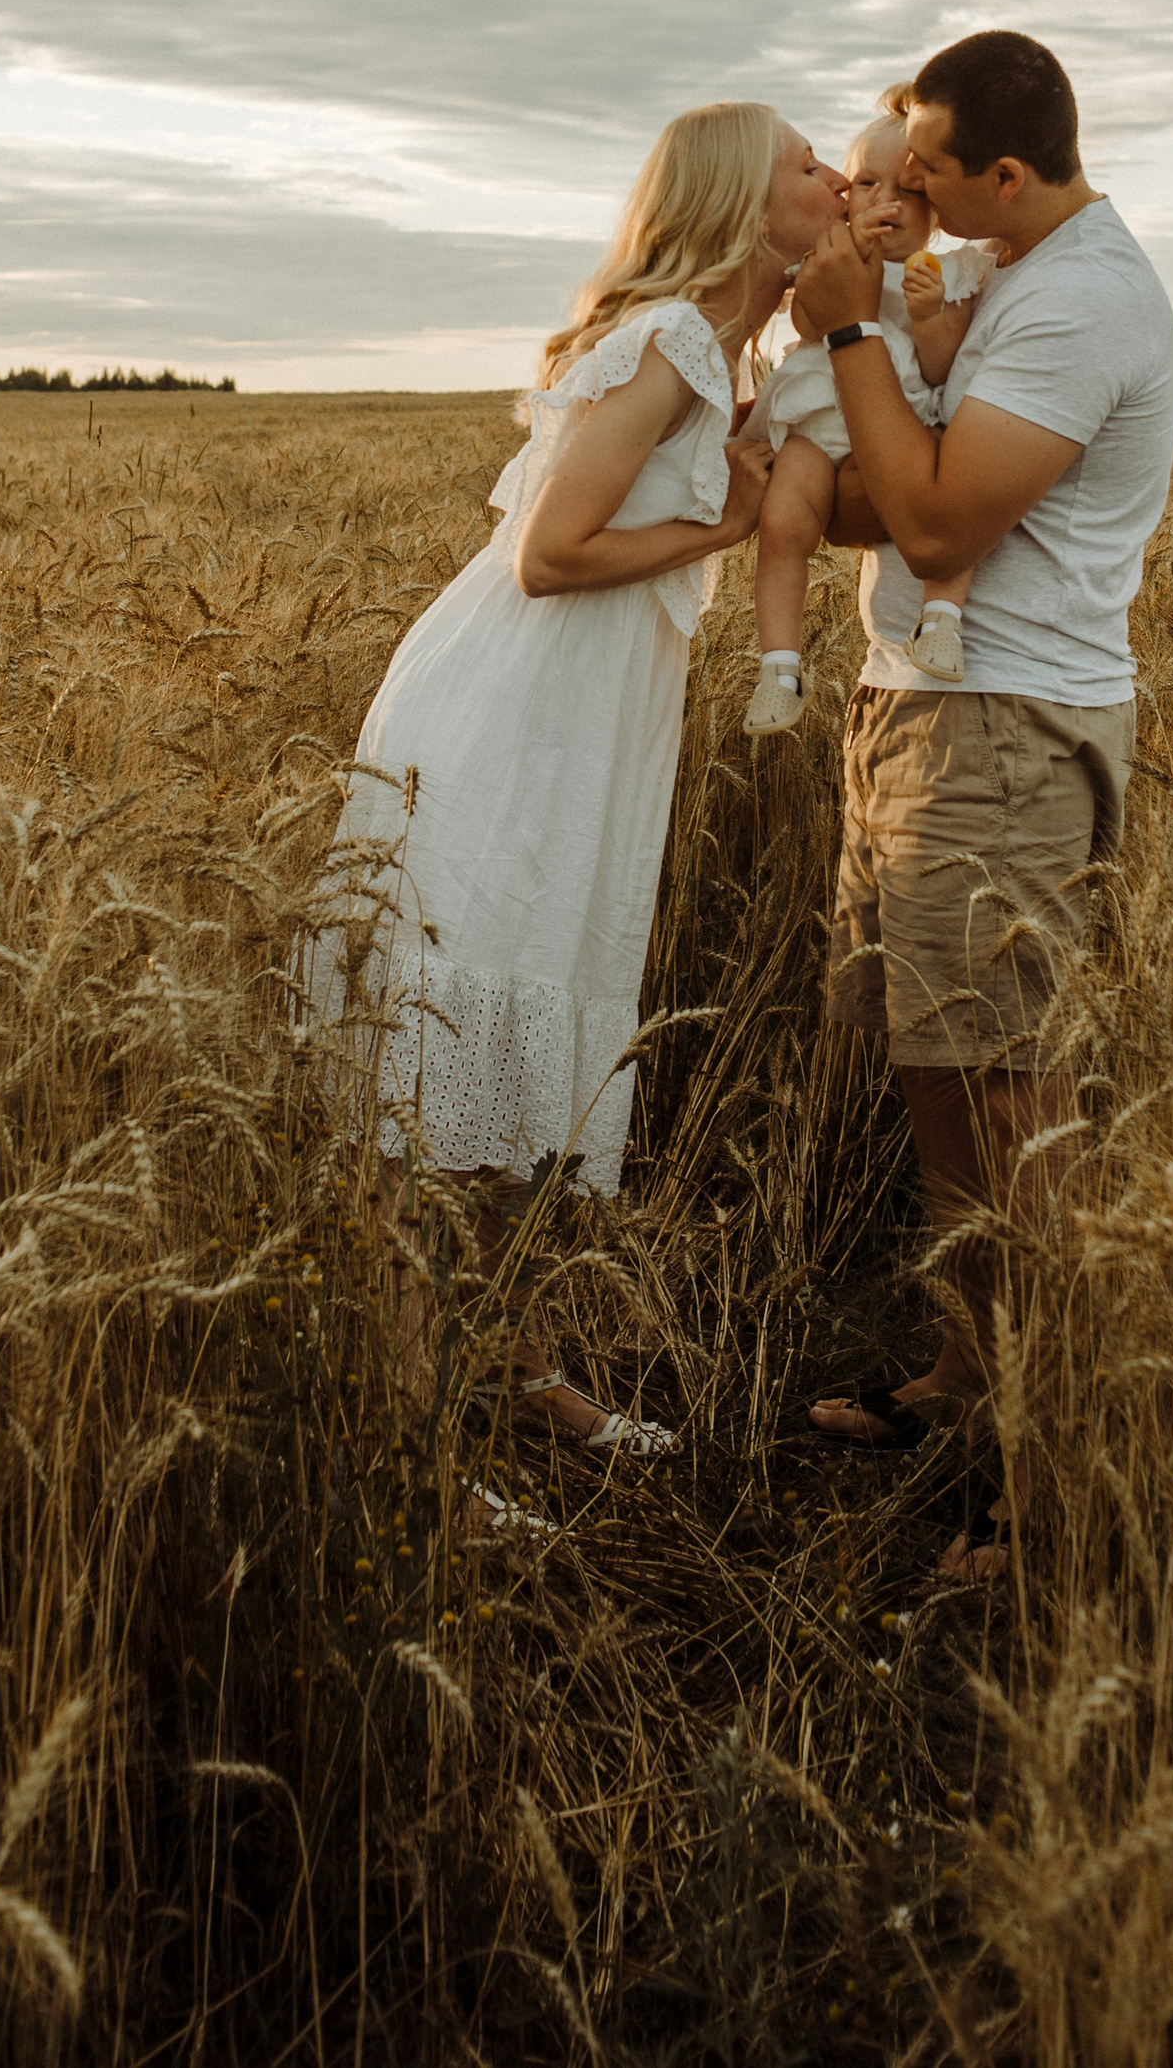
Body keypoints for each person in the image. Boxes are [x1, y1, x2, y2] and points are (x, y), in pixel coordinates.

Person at [328, 102, 846, 1453]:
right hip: (513, 714)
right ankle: (412, 1442)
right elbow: (545, 554)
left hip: (582, 718)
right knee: (436, 1100)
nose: (838, 176)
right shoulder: (674, 338)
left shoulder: (723, 354)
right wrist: (722, 521)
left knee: (524, 1043)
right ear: (742, 201)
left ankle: (517, 1372)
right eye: (808, 163)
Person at [788, 30, 1173, 1575]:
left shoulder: (1083, 301)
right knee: (938, 1068)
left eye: (933, 171)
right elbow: (894, 489)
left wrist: (846, 339)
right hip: (924, 714)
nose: (912, 195)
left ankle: (1056, 1478)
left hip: (1003, 730)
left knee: (1018, 1105)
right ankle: (968, 1376)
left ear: (1007, 172)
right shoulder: (1014, 272)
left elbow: (942, 525)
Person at [742, 94, 999, 734]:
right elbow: (804, 324)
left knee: (956, 501)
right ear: (847, 196)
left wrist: (928, 317)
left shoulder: (946, 273)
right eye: (866, 183)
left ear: (936, 209)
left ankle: (941, 620)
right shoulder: (828, 257)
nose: (887, 200)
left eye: (910, 189)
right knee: (781, 524)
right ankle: (780, 665)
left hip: (902, 420)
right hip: (817, 418)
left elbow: (939, 368)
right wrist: (841, 263)